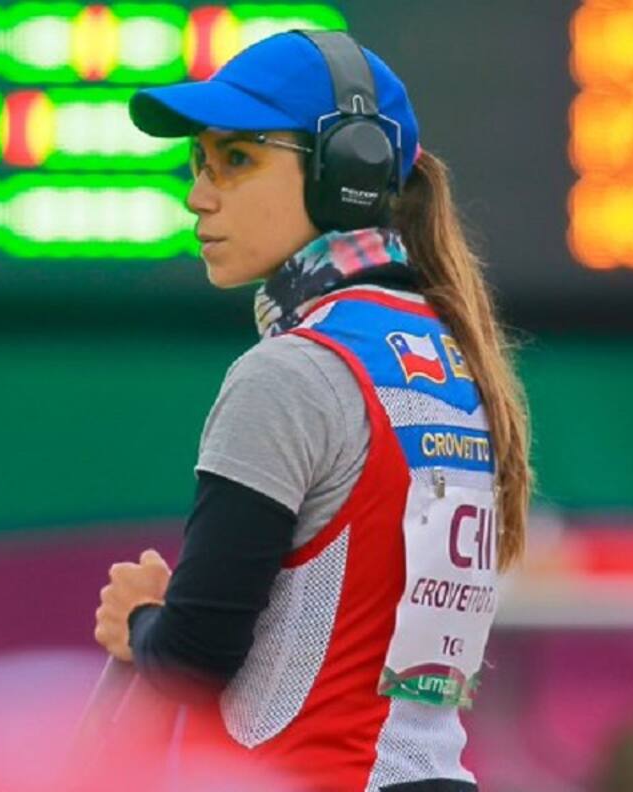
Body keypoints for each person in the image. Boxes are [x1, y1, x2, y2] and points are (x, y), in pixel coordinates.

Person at [92, 30, 533, 792]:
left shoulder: (293, 370)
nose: (200, 193)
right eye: (199, 162)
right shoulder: (459, 357)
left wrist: (139, 622)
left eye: (237, 159)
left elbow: (194, 659)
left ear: (347, 175)